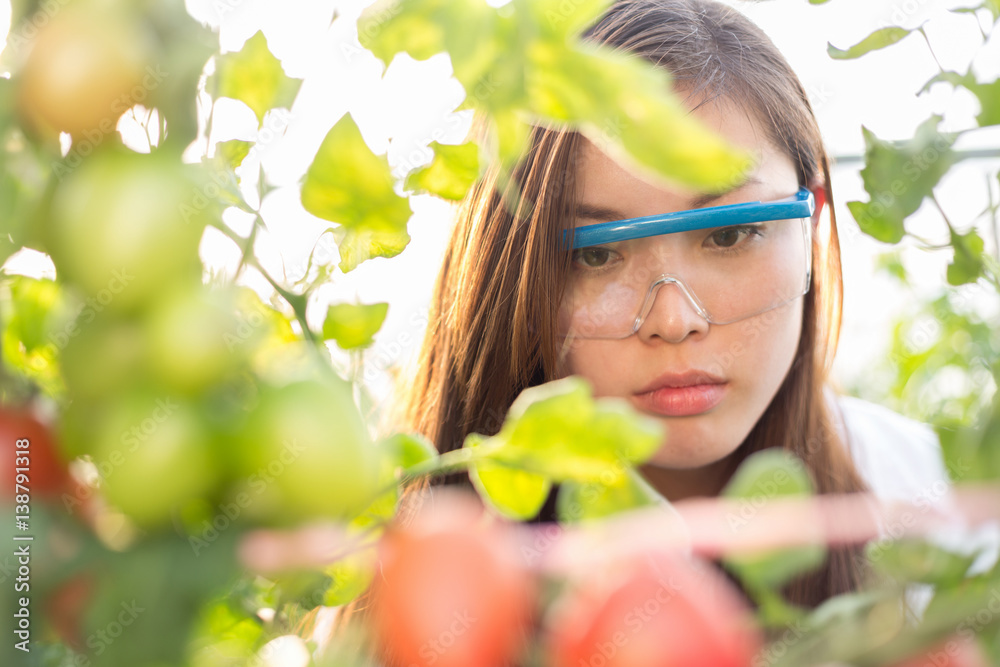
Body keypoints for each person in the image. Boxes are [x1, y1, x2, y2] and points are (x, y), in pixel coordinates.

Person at [324, 0, 955, 641]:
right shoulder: (392, 561)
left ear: (813, 223)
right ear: (510, 274)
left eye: (731, 234)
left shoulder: (916, 494)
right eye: (594, 253)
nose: (673, 320)